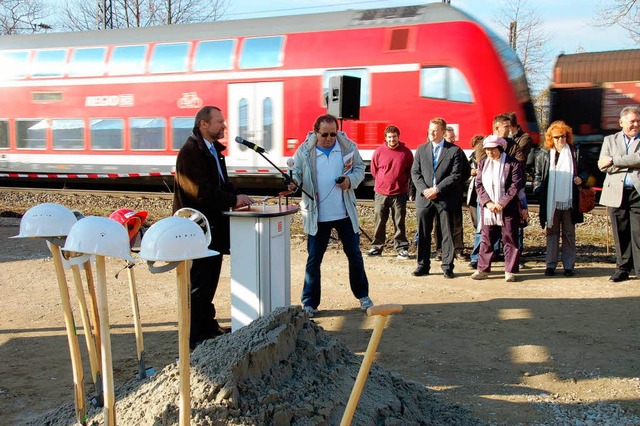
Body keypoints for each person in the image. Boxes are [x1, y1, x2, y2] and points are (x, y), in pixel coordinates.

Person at [173, 105, 254, 349]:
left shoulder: (212, 150)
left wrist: (239, 195)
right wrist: (232, 200)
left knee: (210, 278)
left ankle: (207, 325)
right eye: (219, 122)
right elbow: (198, 190)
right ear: (203, 124)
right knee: (199, 281)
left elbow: (221, 184)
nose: (224, 126)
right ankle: (195, 336)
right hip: (197, 228)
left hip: (212, 226)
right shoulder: (190, 152)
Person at [289, 113, 373, 317]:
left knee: (354, 255)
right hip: (317, 216)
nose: (328, 138)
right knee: (314, 259)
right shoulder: (305, 151)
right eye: (324, 134)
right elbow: (297, 173)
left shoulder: (347, 147)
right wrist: (294, 182)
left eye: (332, 134)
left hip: (344, 213)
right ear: (315, 132)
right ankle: (309, 303)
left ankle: (363, 297)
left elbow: (361, 169)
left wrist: (350, 180)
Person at [411, 117, 464, 278]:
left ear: (443, 131)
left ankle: (447, 265)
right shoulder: (421, 149)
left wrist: (437, 189)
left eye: (435, 130)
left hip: (444, 198)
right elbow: (415, 172)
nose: (432, 133)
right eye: (430, 130)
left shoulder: (454, 151)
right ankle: (423, 265)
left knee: (446, 233)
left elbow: (456, 175)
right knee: (424, 232)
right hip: (425, 198)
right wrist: (424, 190)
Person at [534, 120, 585, 277]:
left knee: (569, 232)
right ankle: (550, 264)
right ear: (551, 138)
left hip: (570, 200)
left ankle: (568, 266)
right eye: (556, 137)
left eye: (563, 136)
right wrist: (538, 189)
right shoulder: (543, 155)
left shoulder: (575, 152)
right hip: (551, 200)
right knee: (552, 232)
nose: (560, 140)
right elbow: (537, 176)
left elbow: (586, 171)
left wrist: (581, 178)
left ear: (567, 136)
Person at [471, 135, 524, 282]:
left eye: (492, 150)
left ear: (500, 148)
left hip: (507, 208)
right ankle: (482, 269)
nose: (489, 153)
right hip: (488, 208)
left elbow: (515, 186)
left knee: (510, 238)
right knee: (486, 238)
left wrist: (502, 203)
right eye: (487, 150)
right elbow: (479, 185)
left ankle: (510, 271)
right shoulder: (482, 163)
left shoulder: (513, 164)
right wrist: (487, 203)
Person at [597, 106, 640, 282]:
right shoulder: (609, 140)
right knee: (620, 232)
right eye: (632, 121)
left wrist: (615, 160)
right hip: (616, 191)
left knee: (638, 233)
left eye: (638, 121)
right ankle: (622, 268)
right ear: (621, 122)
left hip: (637, 192)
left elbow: (638, 158)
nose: (636, 124)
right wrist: (630, 163)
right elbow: (602, 165)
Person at [367, 125, 414, 260]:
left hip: (399, 193)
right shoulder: (379, 152)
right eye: (389, 137)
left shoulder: (406, 153)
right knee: (379, 220)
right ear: (385, 138)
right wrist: (383, 183)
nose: (392, 139)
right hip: (381, 193)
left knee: (399, 221)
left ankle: (401, 247)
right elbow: (374, 170)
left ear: (398, 137)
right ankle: (377, 246)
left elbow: (410, 172)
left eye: (394, 136)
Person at [507, 111, 533, 269]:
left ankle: (517, 255)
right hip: (503, 182)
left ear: (512, 126)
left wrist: (505, 145)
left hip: (518, 184)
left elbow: (517, 157)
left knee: (518, 219)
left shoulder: (525, 138)